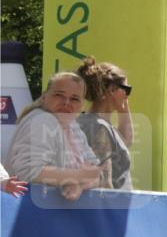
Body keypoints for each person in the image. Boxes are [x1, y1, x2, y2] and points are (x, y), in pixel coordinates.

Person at [7, 71, 105, 200]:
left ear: (82, 105)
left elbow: (98, 174)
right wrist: (78, 176)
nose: (66, 102)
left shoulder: (72, 125)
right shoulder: (43, 120)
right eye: (59, 95)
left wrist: (79, 185)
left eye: (74, 99)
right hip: (29, 210)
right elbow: (28, 172)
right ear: (44, 97)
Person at [76, 56, 133, 190]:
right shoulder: (98, 127)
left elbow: (126, 141)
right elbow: (103, 182)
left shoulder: (98, 124)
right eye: (127, 89)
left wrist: (123, 109)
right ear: (112, 89)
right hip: (110, 207)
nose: (127, 96)